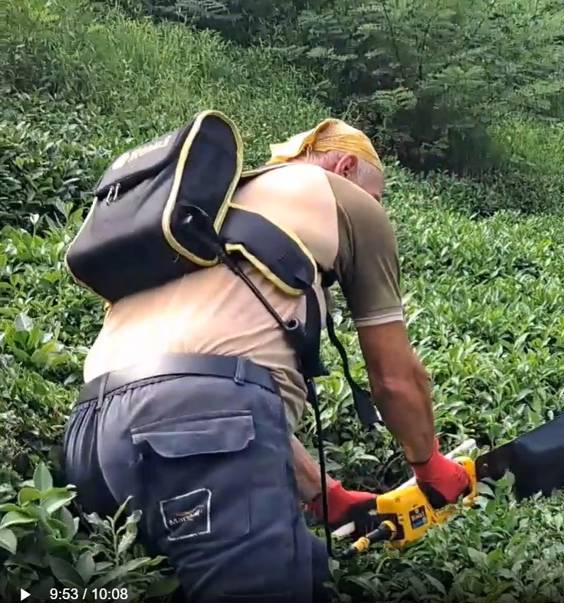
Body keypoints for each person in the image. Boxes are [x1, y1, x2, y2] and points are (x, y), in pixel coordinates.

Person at [62, 119, 471, 603]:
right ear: (345, 167)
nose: (379, 208)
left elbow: (220, 381)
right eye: (378, 195)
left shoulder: (210, 213)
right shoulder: (346, 200)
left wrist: (325, 495)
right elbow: (394, 378)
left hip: (89, 440)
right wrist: (429, 467)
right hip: (199, 426)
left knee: (309, 569)